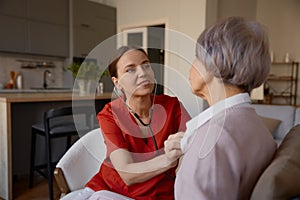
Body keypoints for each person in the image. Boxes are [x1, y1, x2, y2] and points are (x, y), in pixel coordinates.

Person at [164, 17, 277, 199]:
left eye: (197, 57)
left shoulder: (211, 140)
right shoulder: (258, 129)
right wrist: (191, 143)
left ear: (212, 64)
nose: (190, 66)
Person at [76, 46, 191, 200]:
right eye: (130, 70)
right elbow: (127, 173)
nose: (143, 73)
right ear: (117, 83)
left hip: (160, 194)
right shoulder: (110, 113)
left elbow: (196, 143)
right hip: (111, 189)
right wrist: (169, 159)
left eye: (146, 65)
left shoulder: (172, 106)